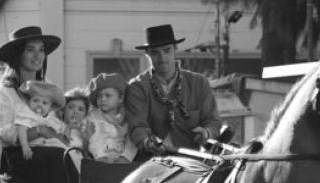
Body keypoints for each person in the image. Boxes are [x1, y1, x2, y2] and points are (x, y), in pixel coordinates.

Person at [0, 25, 78, 183]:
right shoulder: (4, 91)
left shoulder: (48, 86)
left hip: (51, 148)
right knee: (57, 159)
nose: (37, 56)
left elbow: (56, 121)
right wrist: (39, 131)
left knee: (75, 157)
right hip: (18, 154)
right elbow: (5, 133)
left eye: (41, 50)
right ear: (17, 55)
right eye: (30, 50)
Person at [125, 24, 222, 158]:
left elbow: (213, 122)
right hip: (150, 161)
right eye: (155, 53)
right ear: (147, 54)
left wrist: (206, 133)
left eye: (167, 50)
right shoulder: (137, 87)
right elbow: (136, 127)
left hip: (192, 161)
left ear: (175, 49)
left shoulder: (199, 83)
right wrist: (148, 142)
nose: (162, 58)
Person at [84, 73, 137, 163]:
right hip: (99, 159)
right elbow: (93, 138)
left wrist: (126, 157)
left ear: (120, 98)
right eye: (99, 96)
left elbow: (132, 140)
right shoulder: (93, 117)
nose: (103, 99)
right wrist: (99, 155)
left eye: (108, 95)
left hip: (121, 160)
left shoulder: (127, 117)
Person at [15, 80, 69, 159]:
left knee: (69, 154)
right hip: (35, 149)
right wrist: (25, 146)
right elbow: (21, 129)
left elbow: (61, 132)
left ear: (50, 108)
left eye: (44, 103)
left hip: (51, 150)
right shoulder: (29, 115)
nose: (39, 104)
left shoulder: (52, 120)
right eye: (35, 100)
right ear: (29, 101)